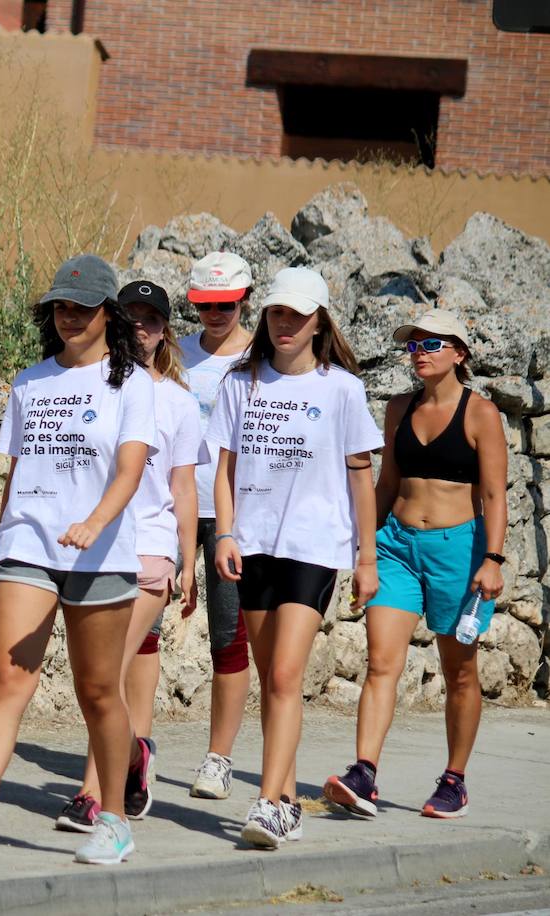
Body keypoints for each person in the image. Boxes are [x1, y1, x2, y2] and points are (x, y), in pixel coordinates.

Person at [0, 254, 154, 867]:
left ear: (109, 314)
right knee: (6, 680)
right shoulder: (30, 381)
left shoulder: (131, 384)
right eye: (60, 307)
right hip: (28, 543)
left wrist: (95, 523)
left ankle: (113, 819)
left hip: (101, 552)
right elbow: (20, 468)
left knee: (100, 690)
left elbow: (130, 471)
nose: (69, 317)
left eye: (82, 308)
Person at [208, 266, 383, 849]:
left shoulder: (342, 389)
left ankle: (267, 804)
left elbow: (362, 478)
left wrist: (366, 558)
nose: (285, 323)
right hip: (252, 544)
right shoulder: (241, 381)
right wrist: (225, 535)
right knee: (270, 678)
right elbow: (225, 468)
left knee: (285, 674)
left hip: (313, 547)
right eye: (277, 312)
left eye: (297, 315)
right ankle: (284, 800)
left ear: (319, 322)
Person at [324, 307, 507, 820]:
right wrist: (363, 551)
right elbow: (384, 484)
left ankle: (455, 780)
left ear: (459, 354)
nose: (418, 354)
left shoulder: (481, 414)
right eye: (413, 346)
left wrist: (492, 559)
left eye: (431, 345)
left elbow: (494, 495)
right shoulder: (398, 408)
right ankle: (364, 772)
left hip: (460, 551)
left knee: (460, 672)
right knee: (381, 661)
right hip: (397, 545)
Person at [57, 280, 202, 832]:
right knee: (98, 678)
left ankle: (93, 794)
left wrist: (188, 562)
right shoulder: (91, 384)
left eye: (152, 319)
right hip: (98, 548)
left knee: (110, 673)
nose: (141, 328)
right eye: (131, 317)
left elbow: (184, 489)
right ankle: (135, 755)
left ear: (166, 331)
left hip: (150, 550)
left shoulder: (181, 403)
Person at [180, 251, 254, 800]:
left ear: (244, 299)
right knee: (142, 631)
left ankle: (218, 759)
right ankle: (132, 748)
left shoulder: (263, 356)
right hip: (173, 511)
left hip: (235, 518)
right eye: (204, 305)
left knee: (228, 640)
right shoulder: (174, 353)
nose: (215, 314)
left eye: (225, 305)